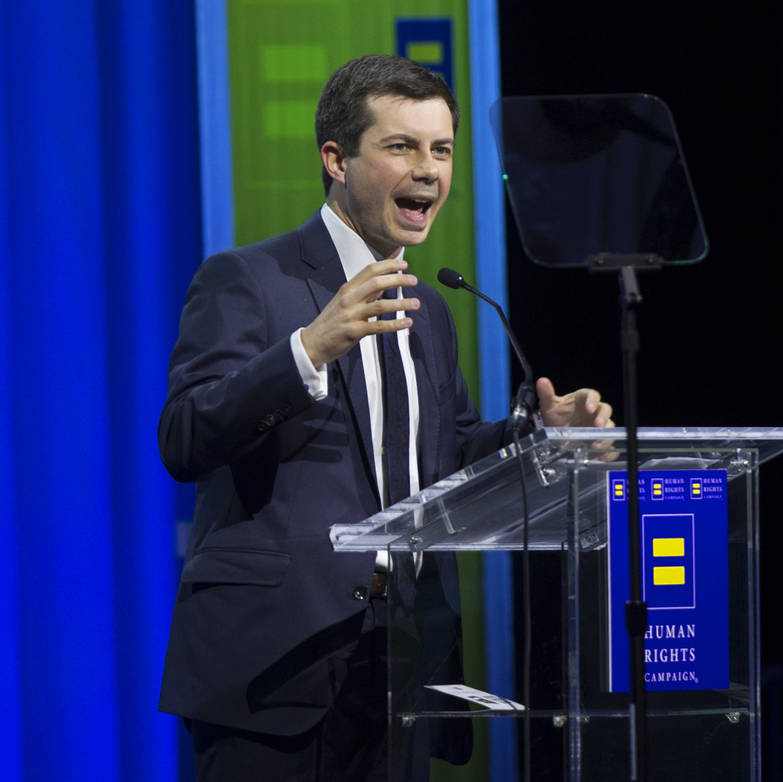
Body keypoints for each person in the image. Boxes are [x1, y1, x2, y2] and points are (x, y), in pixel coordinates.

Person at [158, 54, 612, 781]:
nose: (428, 171)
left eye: (441, 150)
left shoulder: (429, 309)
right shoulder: (248, 279)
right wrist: (308, 348)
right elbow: (184, 435)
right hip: (272, 669)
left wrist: (540, 437)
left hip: (398, 666)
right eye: (401, 147)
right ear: (336, 158)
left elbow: (448, 456)